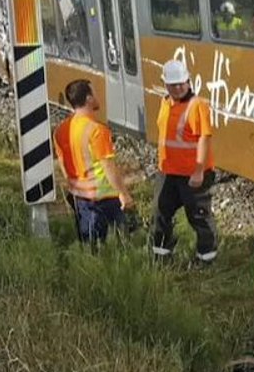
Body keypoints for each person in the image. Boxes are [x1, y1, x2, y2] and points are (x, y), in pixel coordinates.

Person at [151, 58, 218, 265]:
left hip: (192, 173)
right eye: (173, 84)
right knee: (160, 211)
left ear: (188, 81)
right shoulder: (165, 103)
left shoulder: (196, 106)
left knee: (198, 216)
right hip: (168, 172)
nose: (178, 88)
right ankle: (161, 256)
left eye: (182, 83)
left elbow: (204, 138)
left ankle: (206, 258)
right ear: (166, 85)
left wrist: (198, 171)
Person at [52, 79, 134, 246]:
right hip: (103, 197)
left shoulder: (61, 130)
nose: (98, 97)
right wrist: (124, 193)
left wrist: (74, 185)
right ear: (89, 99)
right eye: (95, 93)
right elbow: (108, 166)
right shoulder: (97, 130)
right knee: (124, 242)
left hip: (80, 197)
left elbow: (61, 160)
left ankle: (91, 269)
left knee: (90, 244)